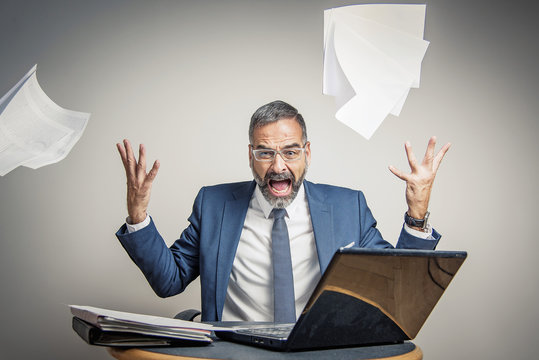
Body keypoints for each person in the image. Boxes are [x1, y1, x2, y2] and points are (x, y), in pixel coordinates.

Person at [115, 100, 450, 322]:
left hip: (320, 354)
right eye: (265, 153)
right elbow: (168, 282)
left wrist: (416, 215)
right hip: (236, 355)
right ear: (250, 155)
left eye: (290, 152)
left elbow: (395, 291)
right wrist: (138, 216)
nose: (278, 166)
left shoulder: (349, 207)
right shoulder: (213, 205)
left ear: (307, 153)